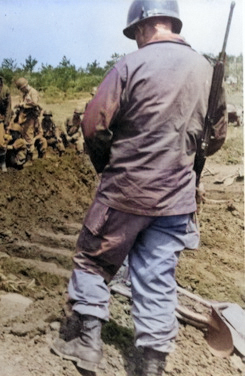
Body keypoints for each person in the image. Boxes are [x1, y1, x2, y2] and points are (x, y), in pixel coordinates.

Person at [50, 2, 227, 375]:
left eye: (135, 35)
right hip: (176, 198)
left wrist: (106, 167)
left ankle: (87, 343)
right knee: (157, 275)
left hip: (125, 192)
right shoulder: (208, 70)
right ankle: (152, 362)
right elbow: (216, 136)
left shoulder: (128, 66)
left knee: (93, 260)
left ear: (143, 27)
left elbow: (93, 126)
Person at [14, 77, 42, 163]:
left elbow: (35, 104)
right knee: (22, 135)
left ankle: (30, 159)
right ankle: (23, 156)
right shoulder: (24, 94)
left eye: (21, 89)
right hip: (23, 118)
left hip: (30, 118)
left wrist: (23, 104)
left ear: (24, 87)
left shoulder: (33, 92)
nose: (21, 91)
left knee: (29, 137)